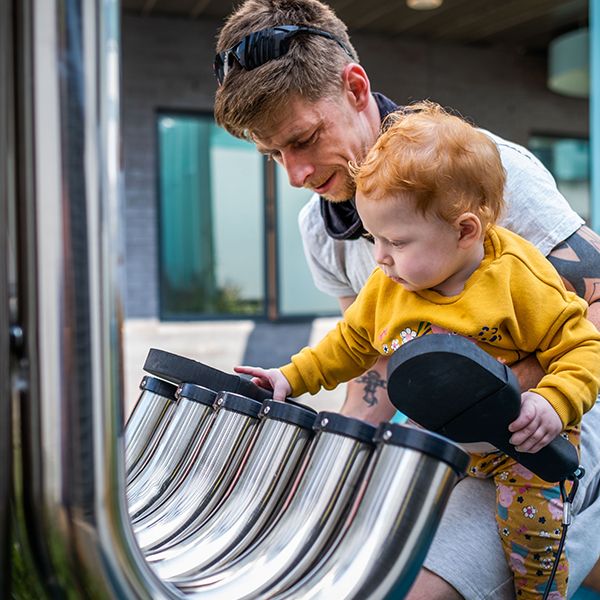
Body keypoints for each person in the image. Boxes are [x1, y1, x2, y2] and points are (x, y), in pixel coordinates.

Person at [214, 1, 600, 597]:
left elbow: (595, 313)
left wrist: (508, 394)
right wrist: (338, 473)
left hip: (560, 426)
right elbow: (370, 362)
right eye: (273, 155)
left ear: (356, 86)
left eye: (305, 140)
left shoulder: (480, 173)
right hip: (461, 439)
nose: (294, 173)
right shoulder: (320, 230)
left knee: (429, 587)